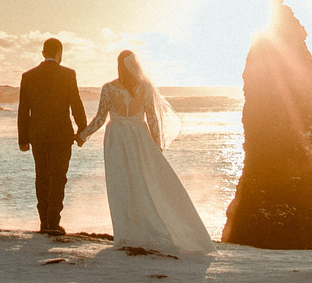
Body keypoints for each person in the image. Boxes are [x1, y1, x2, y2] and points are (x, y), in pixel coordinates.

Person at [80, 50, 215, 255]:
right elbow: (152, 119)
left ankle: (127, 234)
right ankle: (143, 229)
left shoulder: (108, 88)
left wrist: (82, 135)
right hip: (139, 138)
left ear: (119, 65)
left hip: (117, 138)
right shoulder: (144, 88)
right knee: (143, 182)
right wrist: (157, 146)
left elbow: (100, 118)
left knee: (121, 184)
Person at [17, 37, 86, 235]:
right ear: (59, 53)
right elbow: (76, 104)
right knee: (58, 177)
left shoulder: (28, 76)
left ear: (43, 53)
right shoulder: (68, 74)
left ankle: (44, 222)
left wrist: (23, 139)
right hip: (62, 135)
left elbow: (24, 110)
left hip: (37, 135)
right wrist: (82, 129)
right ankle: (53, 221)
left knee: (41, 176)